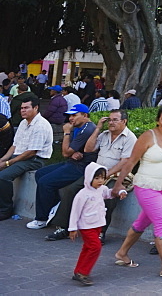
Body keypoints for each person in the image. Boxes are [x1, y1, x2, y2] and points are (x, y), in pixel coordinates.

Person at [111, 105, 162, 280]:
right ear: (158, 120)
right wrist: (118, 184)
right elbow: (131, 161)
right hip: (146, 186)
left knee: (142, 222)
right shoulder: (148, 136)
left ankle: (122, 253)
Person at [46, 109, 136, 242]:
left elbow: (125, 162)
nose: (111, 123)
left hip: (116, 175)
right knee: (71, 190)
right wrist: (98, 128)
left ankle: (100, 233)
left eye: (115, 120)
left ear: (124, 121)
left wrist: (106, 175)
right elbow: (88, 149)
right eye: (109, 120)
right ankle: (64, 228)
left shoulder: (130, 138)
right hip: (97, 173)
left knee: (110, 198)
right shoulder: (104, 134)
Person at [27, 104, 97, 230]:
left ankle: (41, 219)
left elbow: (65, 152)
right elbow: (69, 152)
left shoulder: (87, 129)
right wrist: (72, 152)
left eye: (74, 115)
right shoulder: (79, 126)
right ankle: (55, 206)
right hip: (72, 162)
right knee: (40, 174)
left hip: (81, 167)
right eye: (70, 115)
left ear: (85, 115)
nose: (70, 118)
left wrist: (66, 133)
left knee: (45, 182)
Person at [69, 163, 128, 286]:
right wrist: (73, 228)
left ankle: (78, 271)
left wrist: (121, 191)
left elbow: (111, 193)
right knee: (95, 247)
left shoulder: (102, 189)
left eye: (102, 178)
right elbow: (75, 212)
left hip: (97, 225)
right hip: (86, 226)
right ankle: (83, 273)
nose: (100, 181)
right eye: (97, 178)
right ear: (89, 177)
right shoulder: (82, 194)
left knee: (87, 248)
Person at [0, 96, 54, 220]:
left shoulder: (41, 125)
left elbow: (31, 152)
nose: (22, 111)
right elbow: (14, 145)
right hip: (20, 156)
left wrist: (8, 163)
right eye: (21, 108)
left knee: (3, 177)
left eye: (26, 108)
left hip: (34, 160)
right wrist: (3, 159)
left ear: (35, 108)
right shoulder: (23, 122)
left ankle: (5, 209)